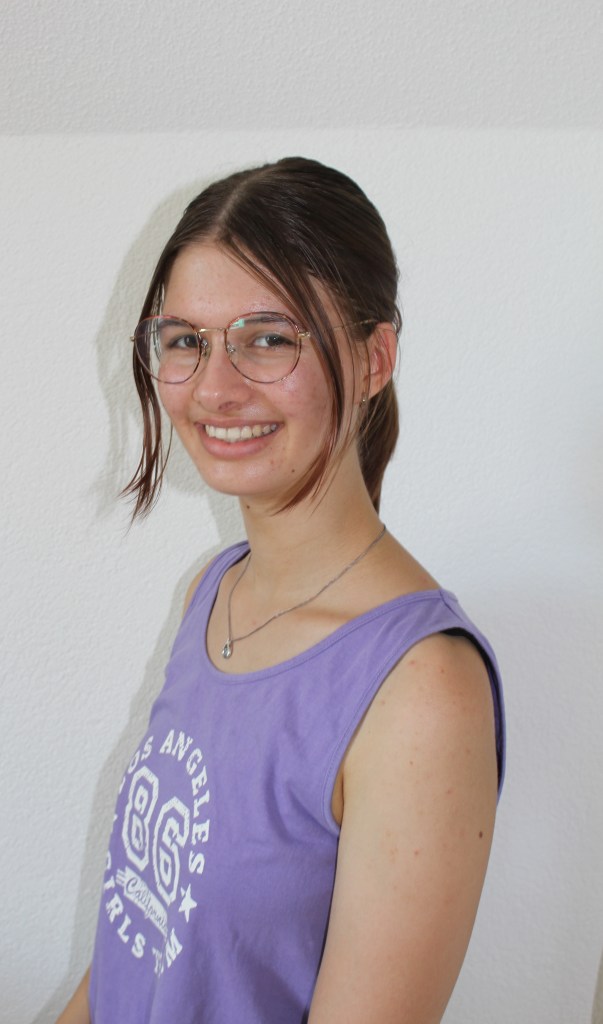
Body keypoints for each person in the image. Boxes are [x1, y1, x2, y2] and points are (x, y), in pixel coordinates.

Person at [57, 156, 505, 1024]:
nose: (214, 388)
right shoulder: (214, 593)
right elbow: (137, 947)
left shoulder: (420, 689)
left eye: (268, 337)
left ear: (373, 359)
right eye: (185, 340)